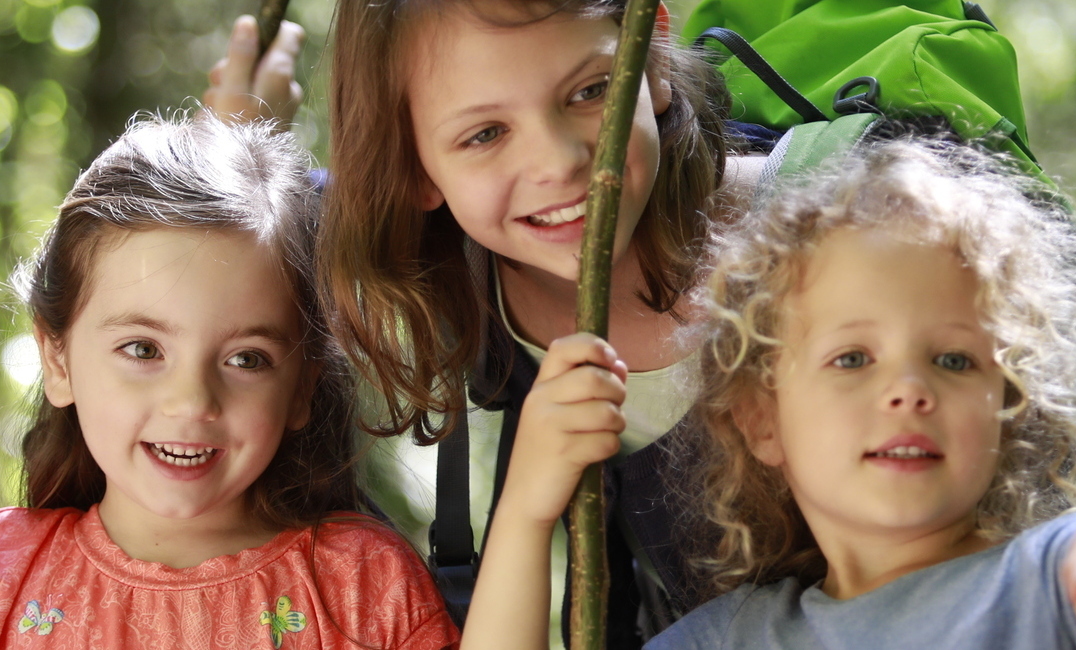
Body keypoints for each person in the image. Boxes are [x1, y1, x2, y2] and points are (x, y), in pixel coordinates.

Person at [0, 113, 458, 650]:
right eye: (142, 348)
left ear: (304, 384)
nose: (192, 401)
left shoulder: (361, 584)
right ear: (58, 357)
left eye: (246, 358)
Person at [205, 0, 755, 645]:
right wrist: (232, 136)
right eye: (485, 134)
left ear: (653, 61)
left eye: (591, 90)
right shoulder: (448, 267)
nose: (558, 161)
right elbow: (264, 229)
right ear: (411, 164)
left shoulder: (818, 240)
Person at [609, 138, 1076, 649]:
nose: (908, 391)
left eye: (954, 360)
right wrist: (530, 507)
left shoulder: (1052, 582)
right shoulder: (728, 638)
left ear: (1007, 406)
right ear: (761, 419)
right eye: (852, 359)